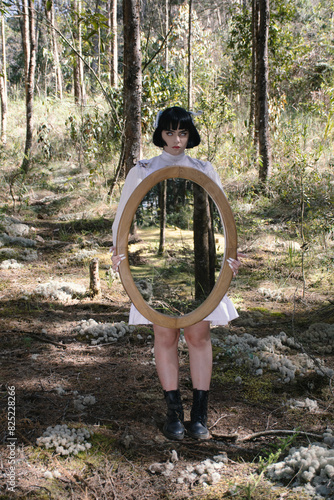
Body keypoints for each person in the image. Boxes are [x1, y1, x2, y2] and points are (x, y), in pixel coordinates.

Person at [111, 106, 242, 441]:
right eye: (169, 132)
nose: (176, 140)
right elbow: (123, 221)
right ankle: (173, 414)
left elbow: (223, 218)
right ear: (160, 134)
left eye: (182, 133)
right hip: (154, 267)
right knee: (165, 336)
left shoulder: (204, 169)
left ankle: (199, 415)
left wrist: (231, 257)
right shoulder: (141, 171)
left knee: (198, 336)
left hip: (199, 265)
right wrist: (120, 258)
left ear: (190, 135)